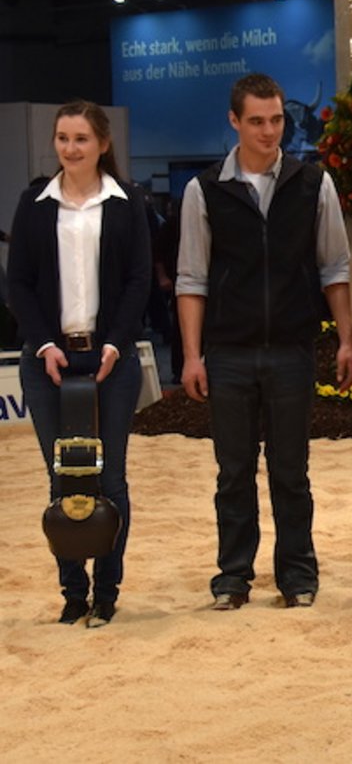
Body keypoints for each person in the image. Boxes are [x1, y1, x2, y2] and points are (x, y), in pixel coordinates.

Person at [176, 72, 352, 611]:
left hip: (292, 350)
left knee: (290, 472)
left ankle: (298, 576)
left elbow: (336, 268)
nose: (269, 131)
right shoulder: (203, 189)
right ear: (234, 121)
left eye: (276, 119)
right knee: (233, 473)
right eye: (256, 121)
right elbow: (191, 279)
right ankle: (233, 578)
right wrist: (191, 356)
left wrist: (347, 340)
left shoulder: (313, 183)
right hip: (227, 353)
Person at [7, 100, 151, 627]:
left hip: (111, 358)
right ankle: (72, 595)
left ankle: (107, 593)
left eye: (81, 139)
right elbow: (17, 282)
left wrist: (117, 342)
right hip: (48, 360)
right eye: (63, 138)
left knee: (110, 481)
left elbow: (139, 278)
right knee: (62, 479)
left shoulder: (126, 202)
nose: (71, 148)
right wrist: (43, 343)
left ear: (102, 145)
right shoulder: (36, 203)